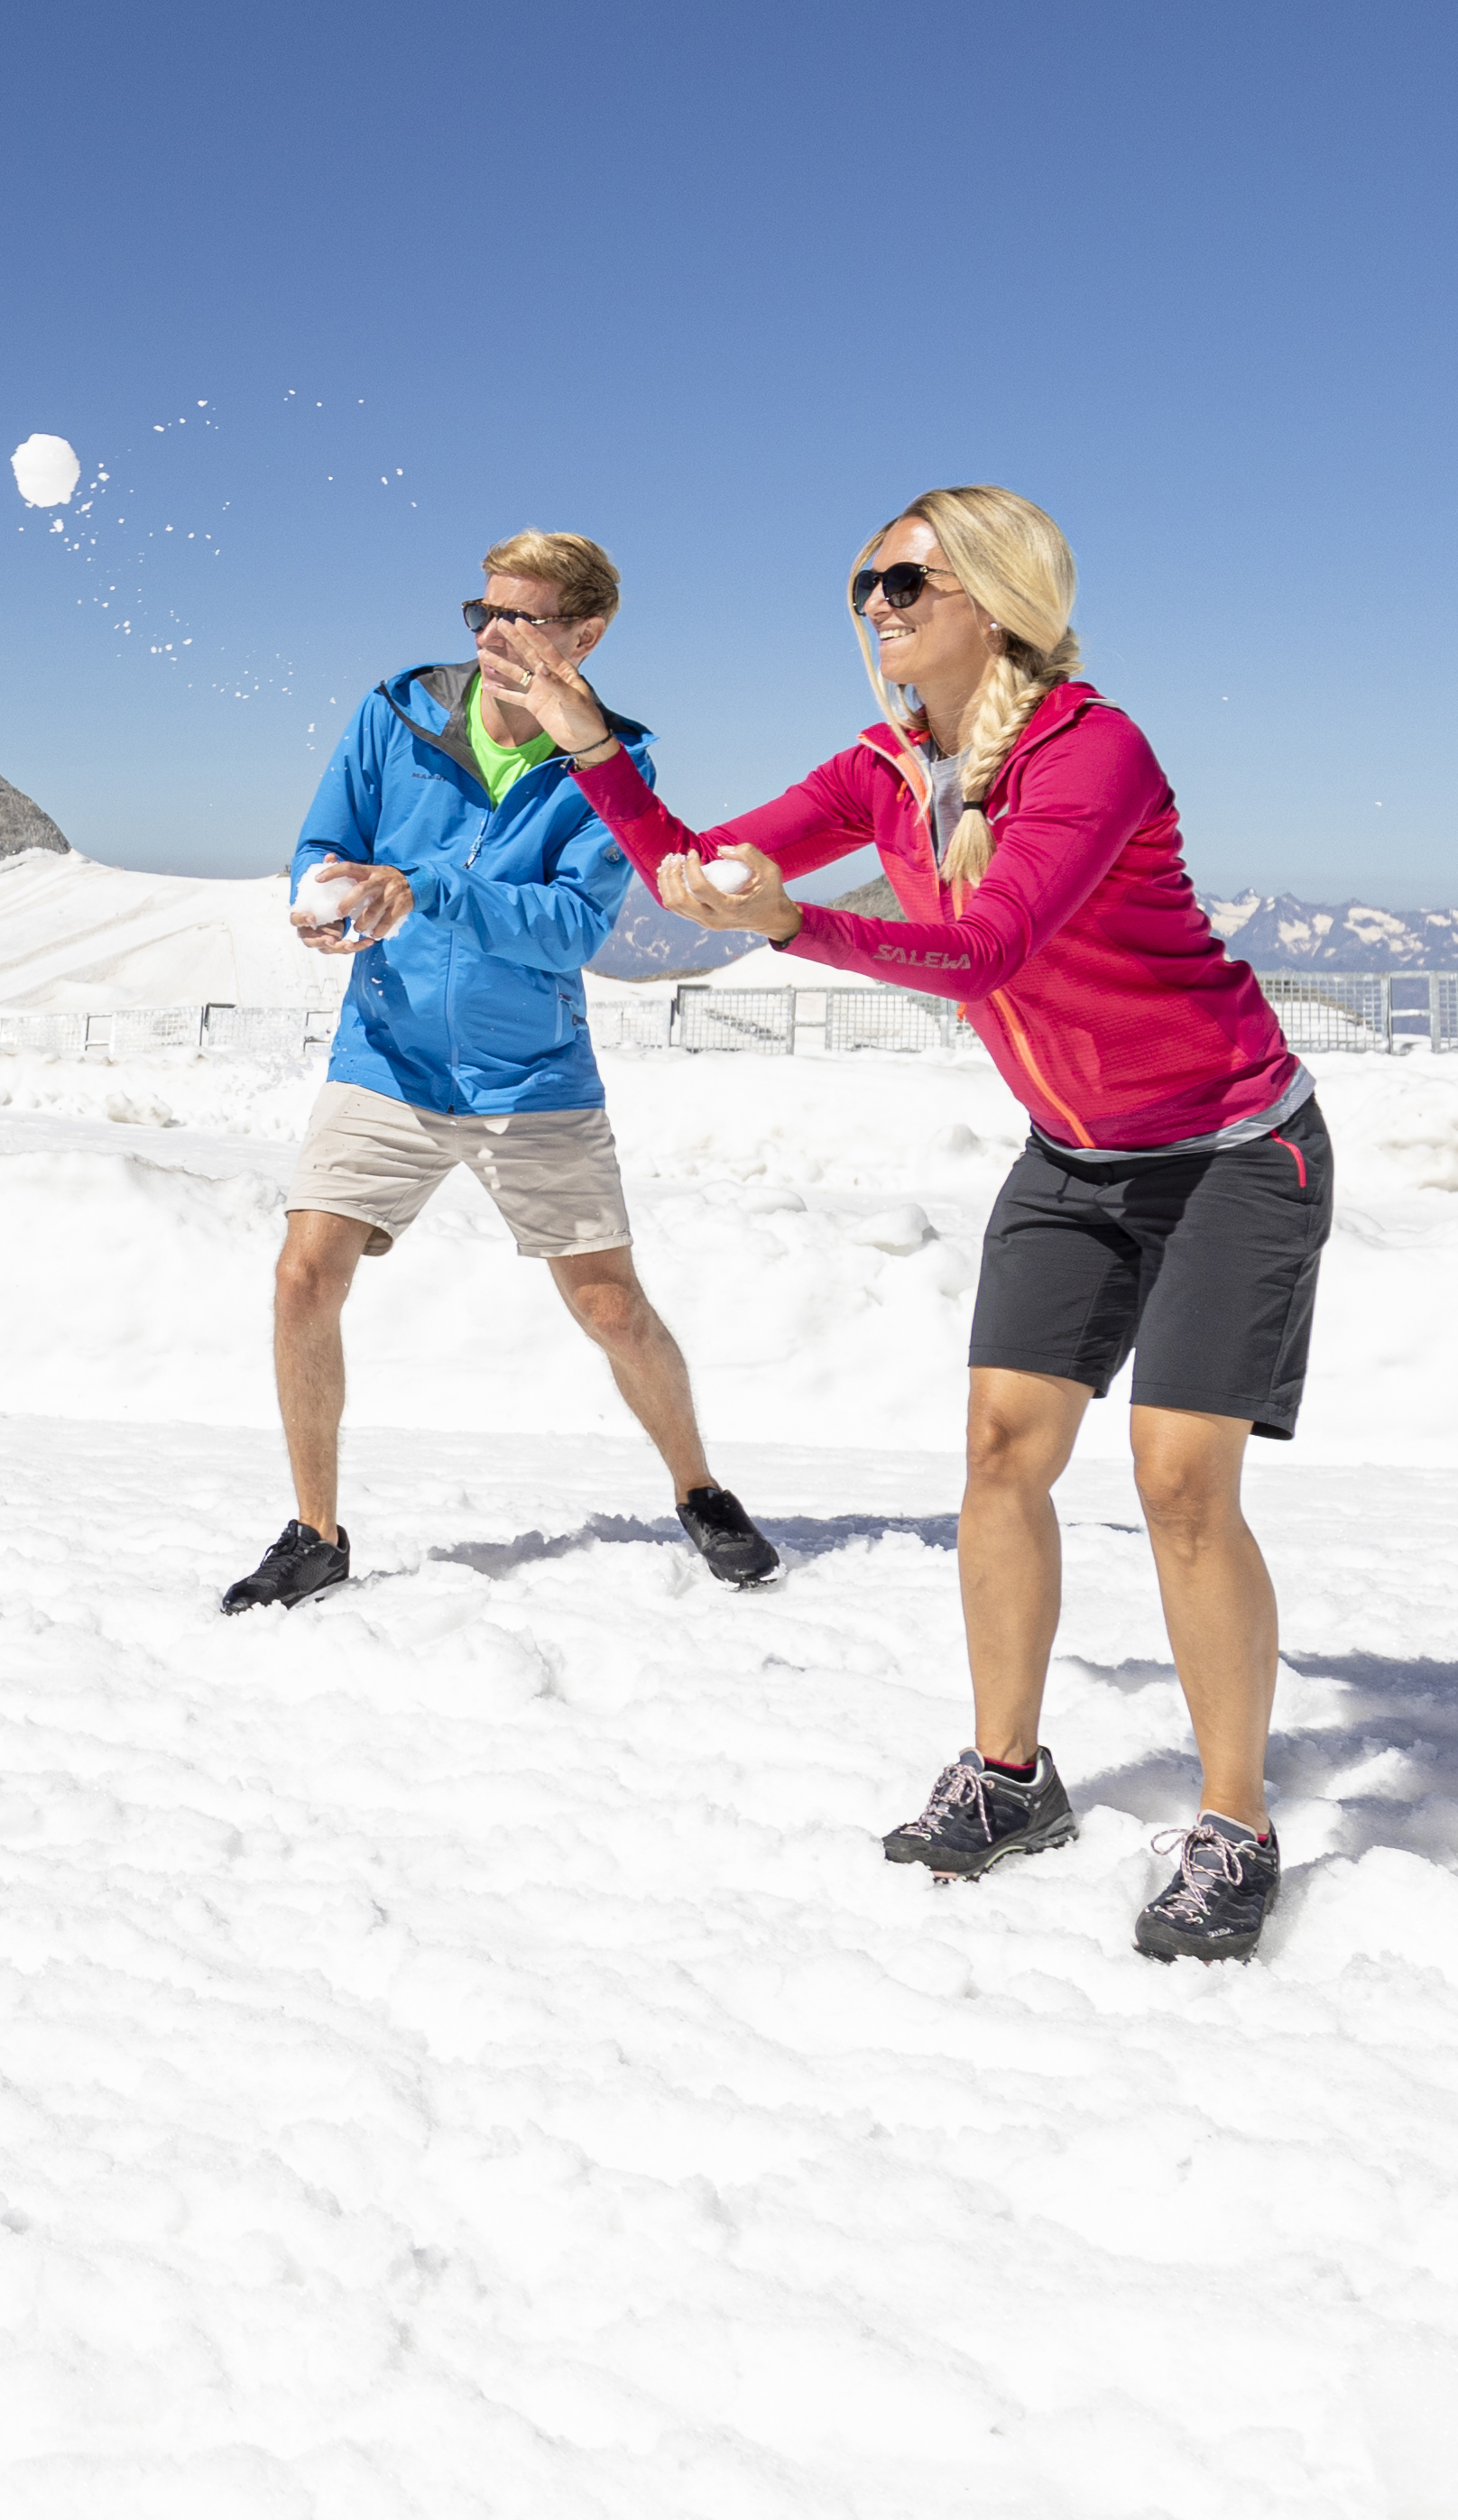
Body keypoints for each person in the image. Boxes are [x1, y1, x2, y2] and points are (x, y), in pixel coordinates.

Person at [503, 486, 1324, 1965]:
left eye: (907, 584)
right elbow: (695, 878)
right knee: (1003, 1454)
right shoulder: (884, 765)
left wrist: (795, 924)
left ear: (997, 603)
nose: (879, 610)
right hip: (1073, 1153)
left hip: (1232, 1151)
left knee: (1178, 1482)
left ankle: (1233, 1823)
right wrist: (591, 749)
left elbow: (987, 946)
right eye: (866, 586)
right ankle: (1012, 1778)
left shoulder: (1093, 750)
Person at [240, 529, 774, 1616]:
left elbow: (571, 926)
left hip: (529, 1075)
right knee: (305, 1272)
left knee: (611, 1303)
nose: (490, 634)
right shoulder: (395, 715)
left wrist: (424, 887)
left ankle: (700, 1488)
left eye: (520, 618)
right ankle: (315, 1531)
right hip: (384, 1052)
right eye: (481, 611)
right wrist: (321, 892)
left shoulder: (608, 765)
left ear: (585, 634)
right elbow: (324, 836)